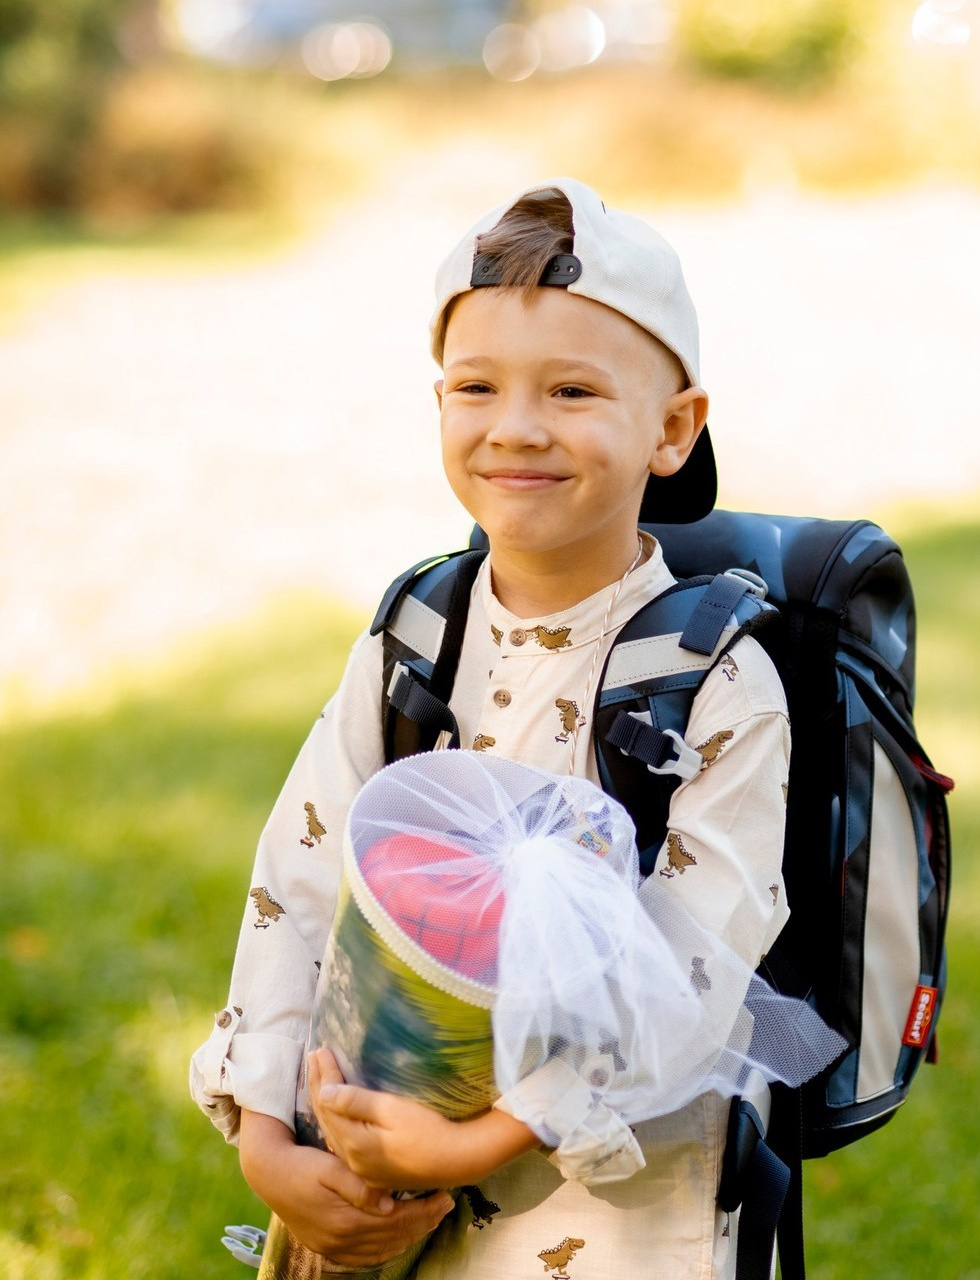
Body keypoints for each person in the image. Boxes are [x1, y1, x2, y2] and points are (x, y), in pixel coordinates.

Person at [190, 177, 795, 1279]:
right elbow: (301, 875)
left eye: (570, 389)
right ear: (438, 405)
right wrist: (269, 1135)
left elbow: (694, 963)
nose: (515, 427)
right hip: (371, 1158)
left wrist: (479, 1139)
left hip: (604, 1210)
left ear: (671, 427)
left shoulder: (711, 678)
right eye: (477, 386)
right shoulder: (415, 636)